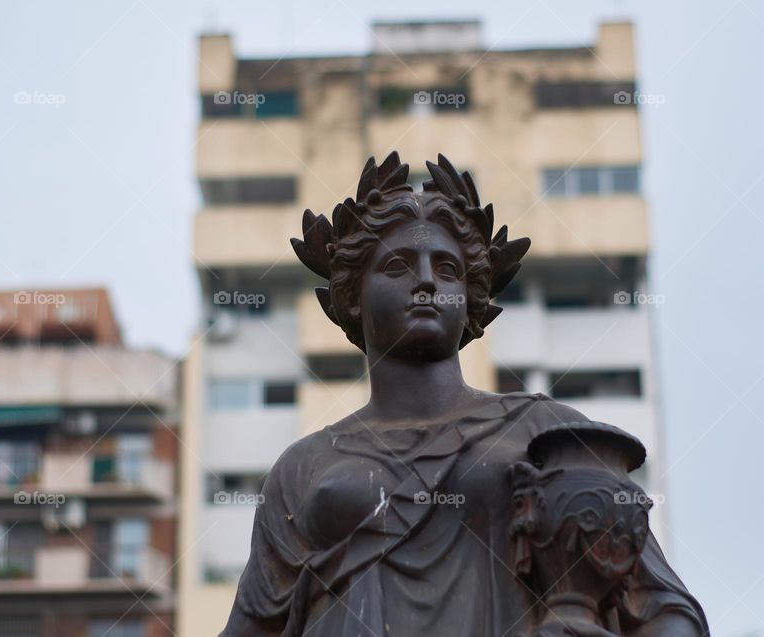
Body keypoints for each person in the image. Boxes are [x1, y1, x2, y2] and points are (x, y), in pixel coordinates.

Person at [220, 153, 708, 636]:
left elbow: (663, 610)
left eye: (448, 269)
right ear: (351, 296)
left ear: (471, 296)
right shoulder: (302, 466)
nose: (427, 281)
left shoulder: (547, 433)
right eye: (397, 266)